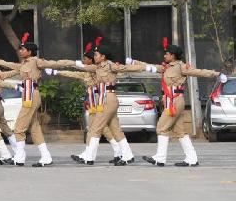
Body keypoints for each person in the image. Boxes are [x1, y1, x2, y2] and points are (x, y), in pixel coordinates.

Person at [0, 33, 76, 166]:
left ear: (30, 51)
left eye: (23, 49)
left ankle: (20, 157)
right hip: (27, 95)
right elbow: (7, 64)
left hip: (31, 95)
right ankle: (46, 157)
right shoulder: (23, 64)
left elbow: (55, 63)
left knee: (19, 128)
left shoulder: (36, 61)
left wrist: (74, 63)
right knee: (34, 127)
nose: (20, 51)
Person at [137, 37, 227, 167]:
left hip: (175, 101)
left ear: (173, 56)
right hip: (170, 101)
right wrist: (133, 62)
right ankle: (192, 158)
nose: (164, 55)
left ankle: (160, 158)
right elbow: (148, 66)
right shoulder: (165, 67)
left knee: (161, 127)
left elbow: (198, 72)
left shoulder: (181, 67)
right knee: (180, 131)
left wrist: (217, 74)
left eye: (167, 54)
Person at [62, 39, 145, 166]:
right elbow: (83, 67)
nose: (94, 57)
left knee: (96, 128)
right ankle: (128, 155)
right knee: (115, 129)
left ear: (103, 56)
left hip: (108, 98)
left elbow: (127, 68)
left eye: (96, 55)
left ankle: (89, 157)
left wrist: (147, 67)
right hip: (104, 99)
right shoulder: (97, 67)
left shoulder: (110, 65)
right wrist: (66, 65)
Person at [52, 40, 122, 164]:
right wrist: (57, 72)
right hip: (93, 103)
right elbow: (74, 74)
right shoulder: (88, 72)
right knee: (99, 129)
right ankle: (110, 152)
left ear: (91, 60)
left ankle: (92, 154)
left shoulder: (97, 71)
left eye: (86, 59)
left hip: (99, 101)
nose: (84, 61)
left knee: (96, 129)